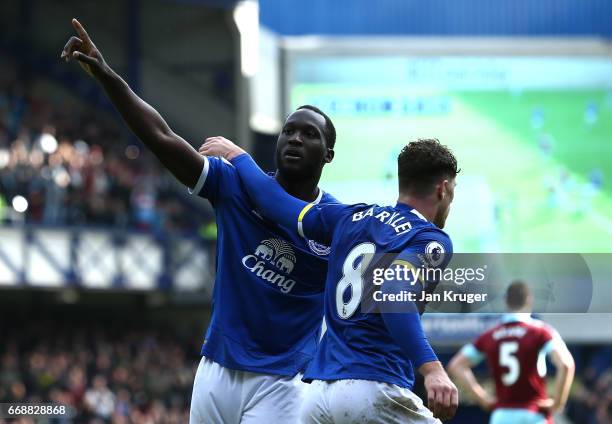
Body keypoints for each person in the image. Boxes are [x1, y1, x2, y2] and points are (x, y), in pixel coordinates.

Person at [61, 19, 340, 423]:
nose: (295, 139)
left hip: (285, 381)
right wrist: (107, 75)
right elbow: (162, 137)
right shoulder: (235, 185)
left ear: (328, 154)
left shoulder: (332, 222)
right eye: (289, 131)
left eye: (310, 135)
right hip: (217, 371)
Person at [200, 136, 460, 423]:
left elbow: (274, 202)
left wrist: (239, 157)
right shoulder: (429, 239)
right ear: (443, 188)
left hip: (319, 396)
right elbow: (393, 292)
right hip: (374, 387)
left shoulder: (352, 217)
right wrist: (432, 368)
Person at [447, 281, 575, 424]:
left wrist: (482, 397)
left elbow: (456, 365)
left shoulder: (491, 335)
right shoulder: (540, 332)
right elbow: (566, 364)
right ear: (529, 300)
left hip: (502, 415)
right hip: (533, 413)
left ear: (505, 302)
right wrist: (557, 403)